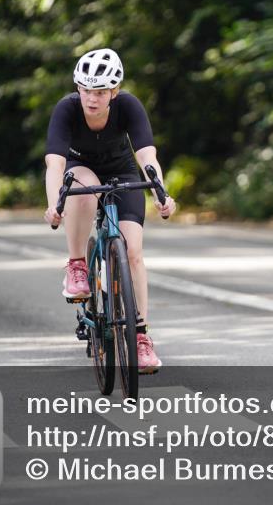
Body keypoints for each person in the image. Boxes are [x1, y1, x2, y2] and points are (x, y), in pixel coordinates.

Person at [43, 48, 177, 373]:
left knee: (133, 253)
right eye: (87, 90)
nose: (92, 98)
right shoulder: (67, 110)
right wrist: (53, 204)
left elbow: (147, 157)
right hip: (81, 168)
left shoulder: (129, 106)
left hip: (123, 172)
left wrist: (161, 193)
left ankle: (141, 338)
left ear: (113, 92)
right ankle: (77, 265)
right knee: (85, 190)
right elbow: (55, 164)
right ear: (79, 88)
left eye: (100, 91)